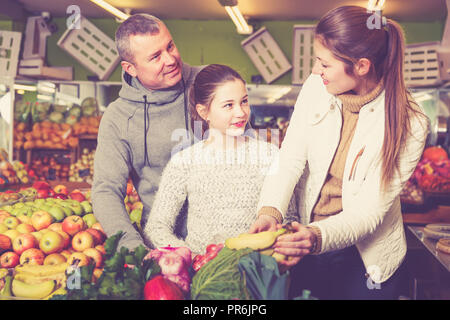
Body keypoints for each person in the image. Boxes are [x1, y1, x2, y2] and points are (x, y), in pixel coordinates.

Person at [249, 6, 429, 300]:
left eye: (324, 63)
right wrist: (270, 209)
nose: (315, 71)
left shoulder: (411, 121)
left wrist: (316, 236)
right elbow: (291, 156)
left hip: (367, 260)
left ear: (361, 66)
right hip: (309, 243)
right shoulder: (315, 88)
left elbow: (369, 211)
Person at [143, 64, 297, 255]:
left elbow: (289, 219)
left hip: (257, 271)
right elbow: (156, 227)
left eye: (244, 101)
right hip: (201, 274)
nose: (240, 112)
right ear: (203, 112)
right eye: (228, 105)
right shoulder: (185, 161)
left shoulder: (270, 155)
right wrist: (189, 256)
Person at [91, 14, 203, 251]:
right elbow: (106, 191)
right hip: (161, 245)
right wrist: (132, 246)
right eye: (155, 57)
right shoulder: (118, 118)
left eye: (170, 46)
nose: (170, 59)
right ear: (130, 68)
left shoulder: (209, 85)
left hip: (222, 237)